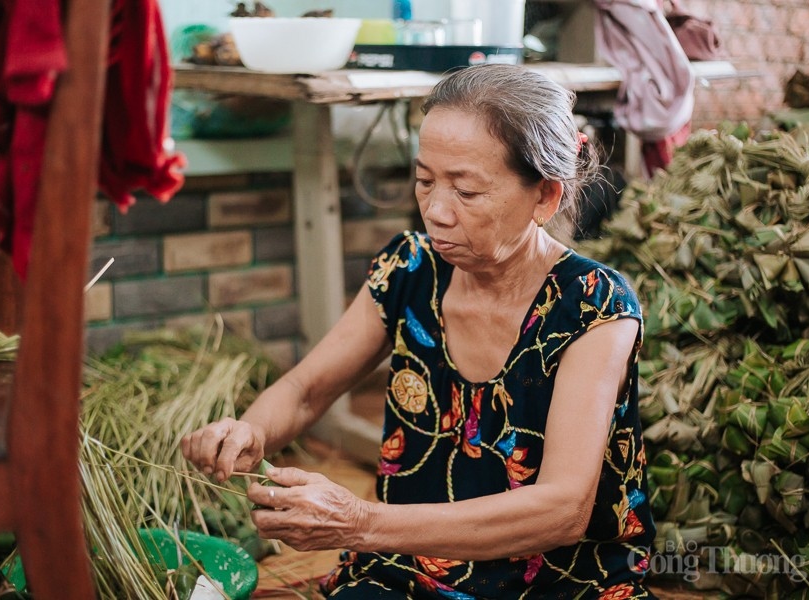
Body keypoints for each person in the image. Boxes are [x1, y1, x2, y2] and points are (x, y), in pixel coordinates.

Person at [181, 63, 656, 599]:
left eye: (467, 192)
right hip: (408, 568)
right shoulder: (411, 269)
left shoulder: (593, 306)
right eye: (425, 181)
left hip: (557, 581)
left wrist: (360, 522)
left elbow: (561, 510)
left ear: (545, 196)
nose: (436, 211)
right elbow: (305, 389)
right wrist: (251, 432)